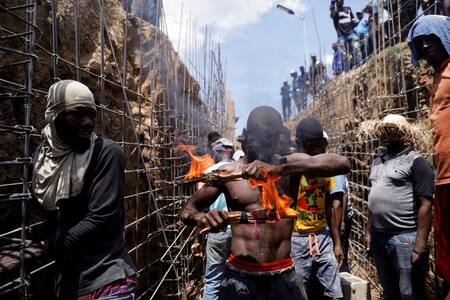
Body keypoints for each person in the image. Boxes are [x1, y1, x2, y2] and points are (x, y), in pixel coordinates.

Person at [180, 106, 350, 300]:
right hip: (239, 276)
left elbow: (343, 163)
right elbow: (187, 211)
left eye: (271, 140)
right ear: (248, 138)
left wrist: (280, 169)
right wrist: (202, 217)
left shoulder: (289, 166)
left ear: (278, 139)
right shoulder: (229, 173)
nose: (265, 147)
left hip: (283, 276)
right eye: (261, 140)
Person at [32, 80, 136, 299]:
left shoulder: (106, 152)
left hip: (107, 280)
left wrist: (46, 246)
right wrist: (32, 239)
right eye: (77, 114)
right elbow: (59, 217)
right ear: (54, 115)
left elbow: (102, 217)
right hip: (69, 284)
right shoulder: (44, 160)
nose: (88, 122)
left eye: (91, 115)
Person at [363, 114, 434, 300]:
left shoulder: (416, 162)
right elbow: (373, 198)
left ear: (403, 133)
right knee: (389, 290)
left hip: (404, 237)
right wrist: (369, 231)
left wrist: (419, 246)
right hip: (379, 236)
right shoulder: (377, 162)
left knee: (409, 293)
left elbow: (426, 205)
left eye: (391, 129)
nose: (386, 134)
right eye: (383, 130)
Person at [407, 15, 450, 299]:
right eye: (421, 46)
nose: (425, 50)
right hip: (444, 175)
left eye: (431, 42)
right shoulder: (436, 77)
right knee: (447, 255)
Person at [290, 118, 344, 300]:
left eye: (319, 145)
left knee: (334, 293)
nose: (316, 150)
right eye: (310, 145)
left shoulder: (324, 168)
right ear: (299, 144)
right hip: (296, 239)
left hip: (322, 236)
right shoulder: (289, 169)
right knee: (300, 293)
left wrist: (336, 243)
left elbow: (332, 205)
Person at [202, 138, 234, 300]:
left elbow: (203, 208)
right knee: (237, 277)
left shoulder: (210, 172)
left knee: (213, 279)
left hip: (217, 231)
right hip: (238, 231)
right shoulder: (241, 170)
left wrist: (197, 238)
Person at [330, 0, 362, 66]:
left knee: (356, 48)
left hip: (350, 33)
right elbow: (332, 14)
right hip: (341, 36)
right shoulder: (335, 12)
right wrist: (332, 4)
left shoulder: (348, 9)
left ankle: (360, 65)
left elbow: (353, 20)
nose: (340, 1)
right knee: (344, 55)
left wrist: (356, 23)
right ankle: (347, 71)